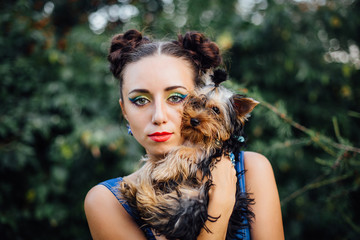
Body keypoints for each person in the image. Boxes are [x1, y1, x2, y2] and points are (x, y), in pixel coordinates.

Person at [84, 29, 284, 240]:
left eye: (176, 97)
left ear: (202, 98)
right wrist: (221, 206)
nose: (159, 116)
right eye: (140, 100)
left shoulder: (251, 170)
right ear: (124, 110)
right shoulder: (108, 201)